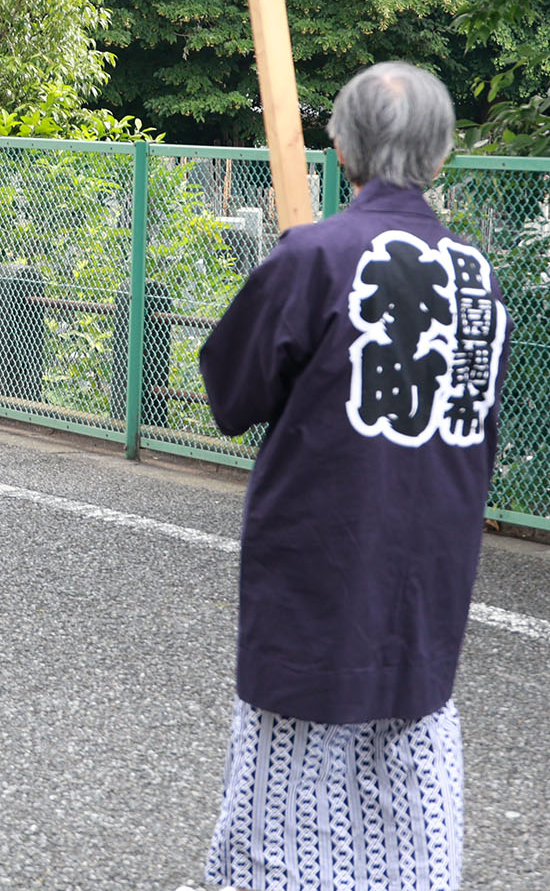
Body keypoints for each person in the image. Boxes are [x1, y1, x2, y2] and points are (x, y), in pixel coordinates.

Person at [193, 63, 508, 891]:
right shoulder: (477, 278)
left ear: (341, 146)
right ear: (440, 155)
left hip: (321, 566)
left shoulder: (314, 257)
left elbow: (231, 394)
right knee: (411, 783)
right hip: (429, 574)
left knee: (286, 803)